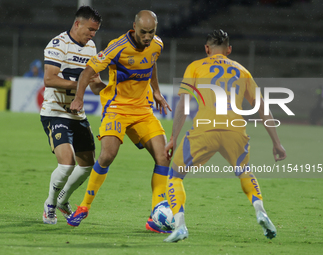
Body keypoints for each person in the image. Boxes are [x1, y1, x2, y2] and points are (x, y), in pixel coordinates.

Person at [163, 29, 287, 242]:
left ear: (206, 49)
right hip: (235, 130)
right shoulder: (242, 71)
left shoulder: (195, 67)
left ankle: (181, 225)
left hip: (205, 129)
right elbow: (262, 108)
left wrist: (174, 137)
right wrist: (277, 142)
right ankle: (261, 211)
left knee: (175, 176)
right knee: (245, 172)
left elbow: (183, 106)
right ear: (229, 49)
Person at [67, 10, 173, 234]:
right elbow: (88, 71)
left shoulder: (157, 44)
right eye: (143, 32)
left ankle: (156, 214)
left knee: (163, 155)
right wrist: (78, 98)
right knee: (107, 155)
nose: (147, 37)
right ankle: (84, 206)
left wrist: (156, 91)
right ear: (134, 28)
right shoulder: (118, 47)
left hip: (143, 110)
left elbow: (152, 63)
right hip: (117, 109)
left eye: (151, 32)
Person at [41, 6, 105, 224]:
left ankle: (63, 200)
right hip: (55, 112)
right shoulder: (58, 44)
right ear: (77, 24)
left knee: (87, 165)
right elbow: (49, 79)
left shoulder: (91, 47)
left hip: (78, 114)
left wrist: (112, 87)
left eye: (95, 31)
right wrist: (80, 83)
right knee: (67, 164)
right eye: (90, 29)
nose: (92, 35)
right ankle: (49, 204)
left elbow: (95, 85)